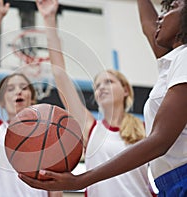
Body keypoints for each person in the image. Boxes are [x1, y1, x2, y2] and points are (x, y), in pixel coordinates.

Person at [19, 0, 187, 196]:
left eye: (109, 82)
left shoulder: (144, 130)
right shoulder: (93, 130)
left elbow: (161, 140)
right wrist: (49, 20)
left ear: (126, 90)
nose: (101, 88)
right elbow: (60, 75)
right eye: (97, 85)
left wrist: (81, 180)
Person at [0, 0, 62, 196]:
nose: (18, 92)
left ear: (32, 99)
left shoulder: (45, 139)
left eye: (24, 88)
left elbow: (55, 191)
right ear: (3, 101)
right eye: (11, 89)